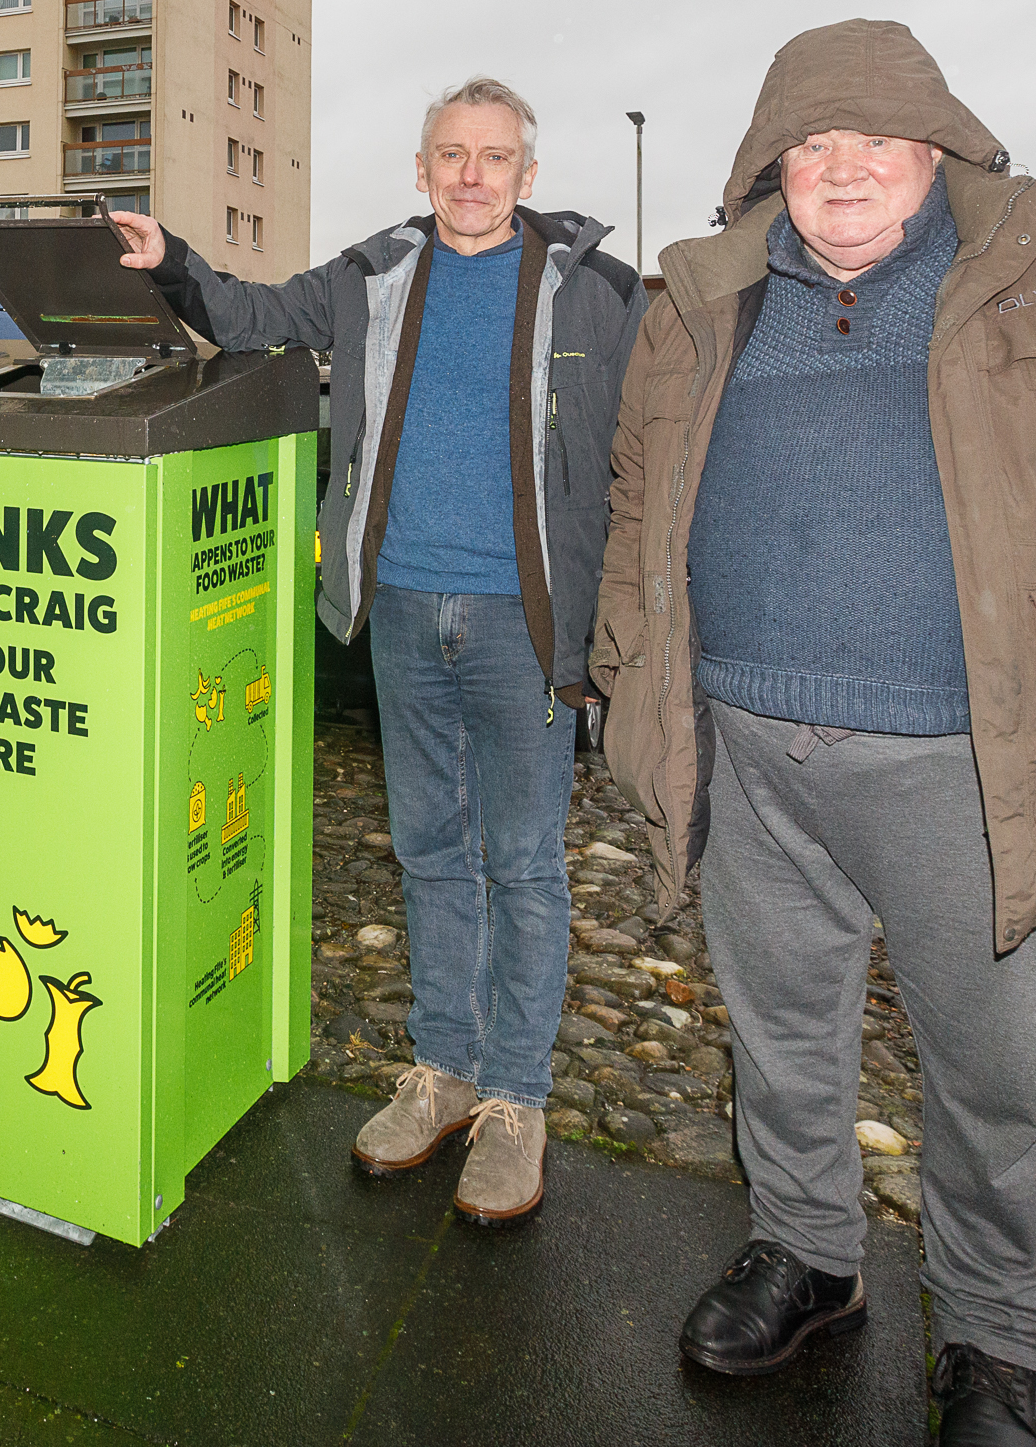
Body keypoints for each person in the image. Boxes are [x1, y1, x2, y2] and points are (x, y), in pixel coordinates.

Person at [592, 20, 1036, 1446]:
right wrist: (632, 663)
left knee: (994, 1077)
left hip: (977, 767)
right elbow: (640, 490)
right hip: (752, 752)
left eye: (875, 141)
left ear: (939, 149)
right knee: (779, 1041)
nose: (842, 171)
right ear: (771, 163)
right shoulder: (703, 295)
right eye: (811, 145)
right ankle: (809, 1255)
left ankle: (1000, 1338)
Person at [115, 77, 645, 1224]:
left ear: (528, 175)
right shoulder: (372, 277)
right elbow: (248, 314)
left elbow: (646, 456)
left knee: (527, 863)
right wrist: (170, 260)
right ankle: (445, 1071)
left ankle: (517, 1100)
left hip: (528, 622)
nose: (471, 175)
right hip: (403, 609)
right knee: (428, 849)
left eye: (494, 157)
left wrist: (622, 622)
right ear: (421, 166)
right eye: (451, 154)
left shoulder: (593, 293)